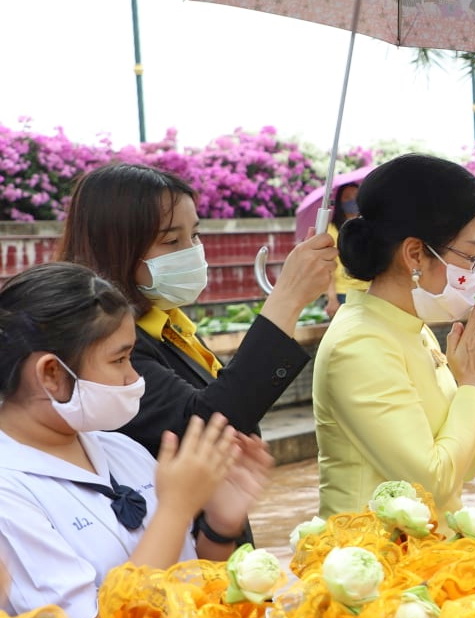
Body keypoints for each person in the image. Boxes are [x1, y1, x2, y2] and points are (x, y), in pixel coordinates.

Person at [0, 263, 272, 618]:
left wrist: (220, 526)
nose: (134, 377)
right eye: (120, 359)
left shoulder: (121, 450)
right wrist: (176, 508)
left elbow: (191, 589)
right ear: (51, 374)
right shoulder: (9, 491)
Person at [56, 163, 336, 465]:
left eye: (195, 235)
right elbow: (205, 422)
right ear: (112, 248)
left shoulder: (170, 326)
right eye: (171, 241)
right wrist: (287, 299)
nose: (192, 251)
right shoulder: (109, 346)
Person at [313, 154, 475, 518]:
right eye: (470, 257)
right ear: (416, 254)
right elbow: (431, 484)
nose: (474, 273)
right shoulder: (360, 343)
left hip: (433, 554)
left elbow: (463, 469)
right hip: (378, 562)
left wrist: (474, 383)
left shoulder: (413, 329)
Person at [324, 182, 369, 318]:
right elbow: (327, 267)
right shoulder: (331, 230)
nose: (352, 201)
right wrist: (332, 298)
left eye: (356, 196)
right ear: (339, 202)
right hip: (344, 294)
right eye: (347, 197)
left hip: (371, 291)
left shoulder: (370, 227)